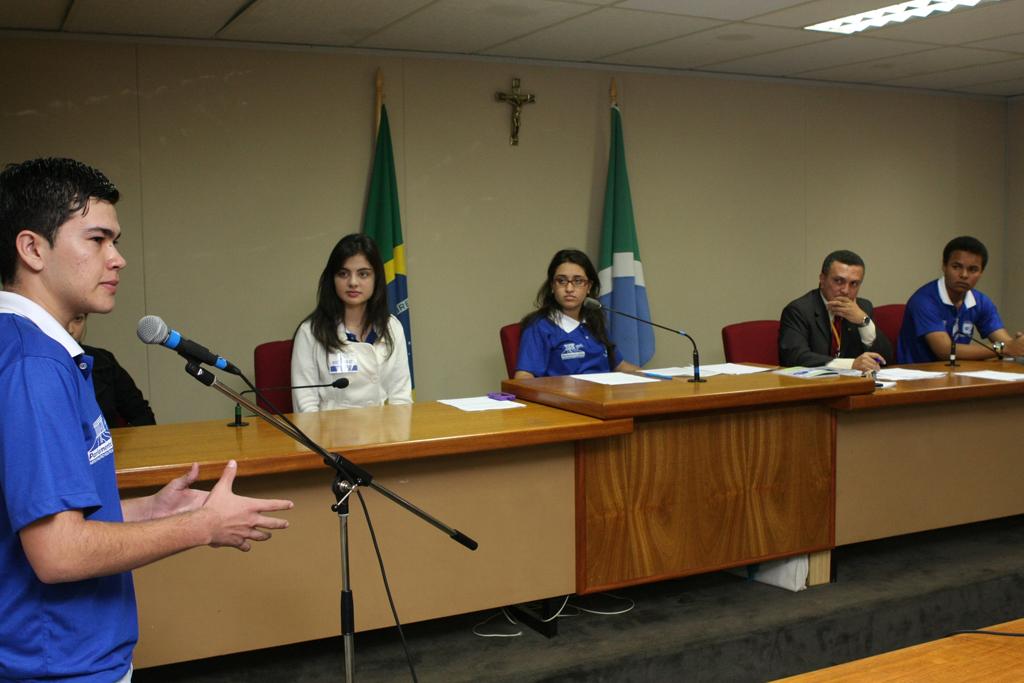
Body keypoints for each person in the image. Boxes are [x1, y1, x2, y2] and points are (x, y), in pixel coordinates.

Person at [0, 157, 293, 682]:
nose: (118, 259)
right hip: (56, 666)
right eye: (97, 240)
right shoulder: (34, 367)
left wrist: (151, 510)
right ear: (32, 249)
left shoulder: (36, 350)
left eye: (116, 241)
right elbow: (57, 553)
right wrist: (199, 525)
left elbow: (47, 520)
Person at [291, 233, 412, 411]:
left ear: (376, 278)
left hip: (383, 433)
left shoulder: (392, 327)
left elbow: (401, 399)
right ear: (332, 279)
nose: (353, 282)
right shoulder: (311, 332)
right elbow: (306, 406)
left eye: (363, 274)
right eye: (343, 274)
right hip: (329, 435)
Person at [514, 249, 640, 378]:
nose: (569, 289)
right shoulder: (540, 327)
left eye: (578, 281)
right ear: (552, 285)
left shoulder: (594, 319)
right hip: (564, 396)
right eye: (561, 281)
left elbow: (618, 365)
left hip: (604, 394)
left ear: (589, 286)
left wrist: (653, 378)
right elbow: (524, 377)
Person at [897, 235, 1024, 363]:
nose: (964, 275)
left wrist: (1018, 345)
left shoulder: (980, 301)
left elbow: (1006, 343)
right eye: (956, 267)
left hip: (959, 374)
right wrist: (1003, 348)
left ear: (981, 273)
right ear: (944, 266)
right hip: (918, 376)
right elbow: (944, 351)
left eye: (973, 269)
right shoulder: (924, 300)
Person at [779, 250, 892, 372]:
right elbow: (794, 357)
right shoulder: (799, 310)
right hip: (814, 386)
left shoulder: (863, 307)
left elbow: (885, 359)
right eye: (839, 281)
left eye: (854, 283)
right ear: (822, 279)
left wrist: (864, 322)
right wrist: (850, 364)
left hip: (854, 386)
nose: (845, 290)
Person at [67, 313, 156, 427]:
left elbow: (141, 414)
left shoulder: (103, 361)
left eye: (78, 319)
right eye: (61, 319)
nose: (70, 330)